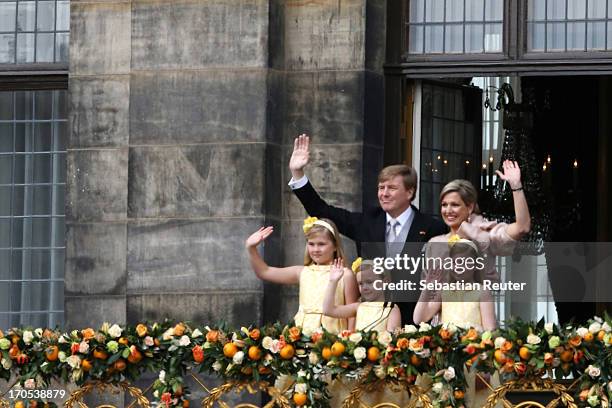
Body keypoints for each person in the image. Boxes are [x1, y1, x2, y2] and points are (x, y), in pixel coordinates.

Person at [288, 134, 447, 325]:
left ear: (410, 192)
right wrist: (298, 174)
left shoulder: (432, 227)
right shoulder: (367, 221)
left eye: (391, 188)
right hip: (371, 323)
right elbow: (322, 210)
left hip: (414, 323)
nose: (384, 193)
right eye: (381, 188)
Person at [245, 217, 359, 334]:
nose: (316, 249)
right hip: (301, 336)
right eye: (311, 244)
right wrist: (251, 248)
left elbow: (352, 314)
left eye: (321, 244)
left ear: (335, 245)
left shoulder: (346, 274)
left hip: (333, 337)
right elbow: (264, 272)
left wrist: (349, 340)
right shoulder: (302, 272)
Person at [323, 258, 401, 332]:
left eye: (369, 282)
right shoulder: (359, 307)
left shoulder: (391, 308)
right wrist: (333, 282)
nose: (364, 287)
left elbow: (392, 339)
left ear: (385, 281)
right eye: (360, 284)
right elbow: (328, 310)